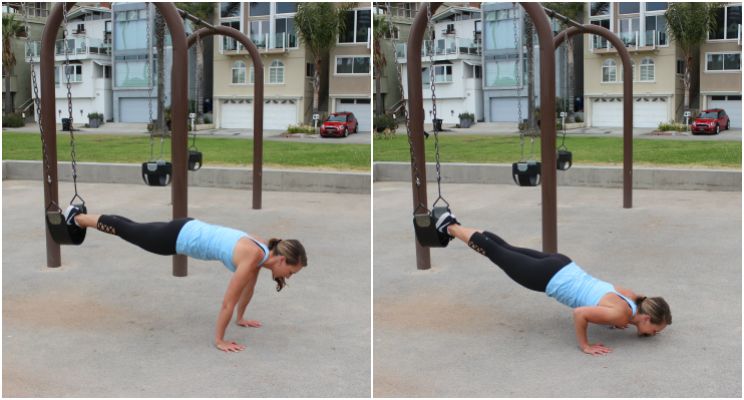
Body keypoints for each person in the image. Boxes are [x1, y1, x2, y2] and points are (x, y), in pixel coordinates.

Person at [64, 206, 308, 353]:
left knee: (131, 228)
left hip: (188, 227)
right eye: (291, 272)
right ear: (282, 261)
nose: (288, 277)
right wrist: (220, 340)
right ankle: (76, 218)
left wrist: (241, 318)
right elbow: (228, 302)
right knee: (127, 230)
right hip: (177, 238)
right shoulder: (254, 255)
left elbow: (249, 289)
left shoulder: (262, 250)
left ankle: (82, 217)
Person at [434, 211, 671, 355]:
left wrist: (620, 320)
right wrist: (585, 345)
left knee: (505, 248)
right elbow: (580, 314)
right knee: (495, 252)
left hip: (563, 264)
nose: (653, 334)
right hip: (546, 277)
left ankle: (454, 223)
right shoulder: (621, 315)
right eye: (655, 330)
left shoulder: (631, 299)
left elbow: (608, 301)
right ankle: (449, 227)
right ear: (648, 318)